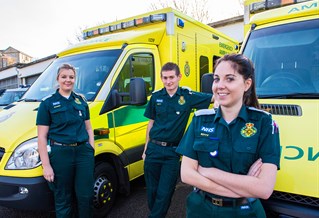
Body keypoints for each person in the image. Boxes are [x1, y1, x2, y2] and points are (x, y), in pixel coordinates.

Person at [176, 53, 281, 218]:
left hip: (244, 212)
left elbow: (264, 189)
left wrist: (208, 172)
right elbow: (187, 174)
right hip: (201, 209)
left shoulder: (264, 123)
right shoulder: (199, 120)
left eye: (230, 79)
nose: (220, 85)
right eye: (216, 79)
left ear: (247, 84)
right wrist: (244, 187)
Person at [142, 62, 213, 218]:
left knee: (165, 192)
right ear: (161, 78)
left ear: (179, 77)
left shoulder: (187, 96)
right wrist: (145, 150)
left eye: (171, 77)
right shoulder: (156, 97)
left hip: (172, 152)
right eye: (165, 78)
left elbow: (215, 97)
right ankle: (156, 214)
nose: (168, 82)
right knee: (152, 191)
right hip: (153, 149)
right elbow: (151, 124)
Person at [36, 63, 95, 218]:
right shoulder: (47, 103)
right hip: (61, 155)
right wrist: (46, 165)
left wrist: (91, 148)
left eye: (71, 77)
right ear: (58, 79)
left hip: (83, 153)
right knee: (63, 199)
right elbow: (41, 136)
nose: (67, 80)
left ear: (75, 79)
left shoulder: (81, 101)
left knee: (86, 196)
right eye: (64, 77)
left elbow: (88, 128)